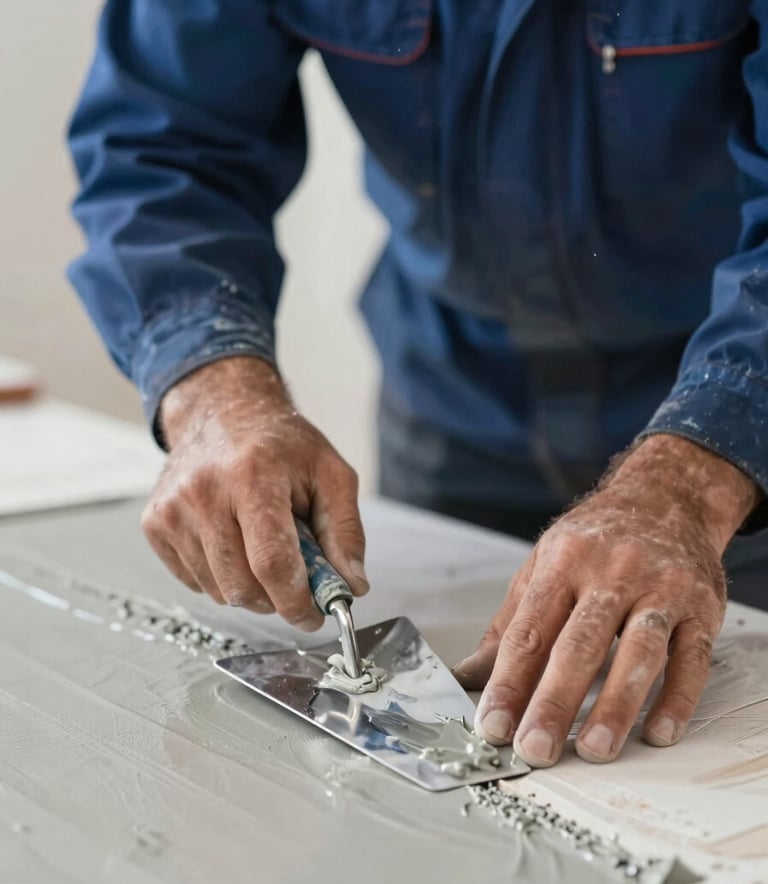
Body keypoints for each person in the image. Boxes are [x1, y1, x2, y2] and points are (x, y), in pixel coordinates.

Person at [68, 1, 767, 769]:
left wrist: (690, 488)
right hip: (459, 405)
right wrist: (211, 391)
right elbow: (163, 144)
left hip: (739, 442)